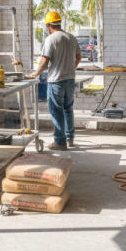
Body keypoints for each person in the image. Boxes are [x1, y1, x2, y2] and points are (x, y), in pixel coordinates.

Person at [26, 10, 81, 151]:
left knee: (56, 111)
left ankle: (60, 142)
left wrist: (35, 74)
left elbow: (44, 60)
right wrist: (70, 69)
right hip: (70, 80)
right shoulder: (71, 37)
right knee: (68, 109)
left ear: (49, 25)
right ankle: (70, 139)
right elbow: (78, 57)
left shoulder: (51, 39)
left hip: (56, 81)